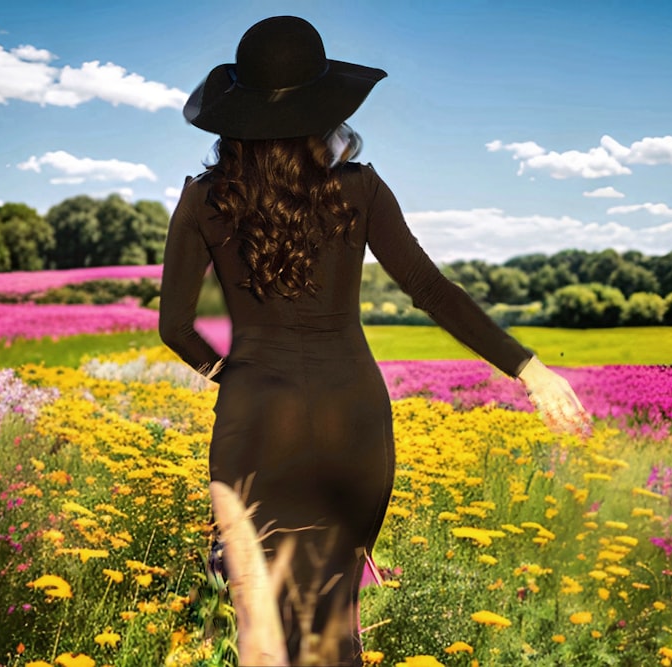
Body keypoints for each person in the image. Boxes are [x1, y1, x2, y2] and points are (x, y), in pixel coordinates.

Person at [158, 15, 590, 667]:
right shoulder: (358, 190)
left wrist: (231, 371)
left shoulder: (201, 201)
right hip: (353, 427)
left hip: (255, 427)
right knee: (332, 628)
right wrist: (528, 367)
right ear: (324, 108)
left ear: (235, 114)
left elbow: (174, 327)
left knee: (262, 630)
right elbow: (429, 287)